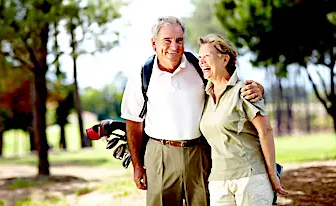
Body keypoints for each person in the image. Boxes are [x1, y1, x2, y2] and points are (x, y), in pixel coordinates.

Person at [120, 16, 264, 206]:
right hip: (159, 155)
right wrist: (137, 166)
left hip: (199, 153)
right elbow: (133, 123)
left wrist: (259, 89)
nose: (174, 46)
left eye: (179, 40)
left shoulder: (199, 67)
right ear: (154, 44)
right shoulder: (141, 75)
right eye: (167, 40)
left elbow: (230, 87)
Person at [198, 33, 288, 206]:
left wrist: (272, 175)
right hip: (218, 181)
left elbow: (265, 131)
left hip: (250, 177)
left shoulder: (245, 91)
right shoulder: (205, 95)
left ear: (224, 60)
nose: (201, 62)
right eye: (200, 57)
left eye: (207, 57)